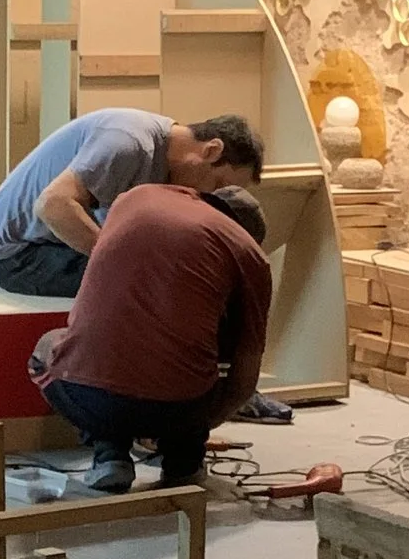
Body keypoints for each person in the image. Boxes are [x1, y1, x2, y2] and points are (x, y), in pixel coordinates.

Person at [29, 182, 272, 492]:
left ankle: (110, 454)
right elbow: (244, 379)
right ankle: (184, 463)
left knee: (51, 348)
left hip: (91, 397)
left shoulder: (136, 198)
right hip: (184, 406)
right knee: (215, 353)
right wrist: (199, 422)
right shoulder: (249, 254)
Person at [0, 108, 264, 299]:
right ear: (211, 150)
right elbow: (53, 206)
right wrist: (120, 263)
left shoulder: (159, 152)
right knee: (152, 283)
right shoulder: (129, 143)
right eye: (217, 183)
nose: (209, 194)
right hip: (15, 255)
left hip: (48, 240)